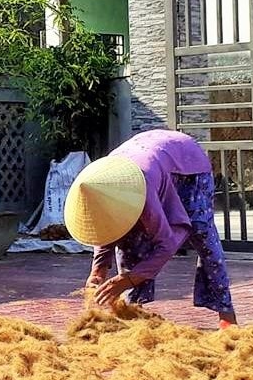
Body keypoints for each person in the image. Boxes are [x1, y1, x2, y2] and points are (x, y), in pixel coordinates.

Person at [65, 128, 238, 328]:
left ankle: (226, 314)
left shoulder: (143, 194)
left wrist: (127, 280)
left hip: (187, 166)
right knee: (129, 241)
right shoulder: (98, 191)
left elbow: (167, 244)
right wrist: (98, 269)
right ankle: (134, 312)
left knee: (202, 234)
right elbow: (106, 227)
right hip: (150, 156)